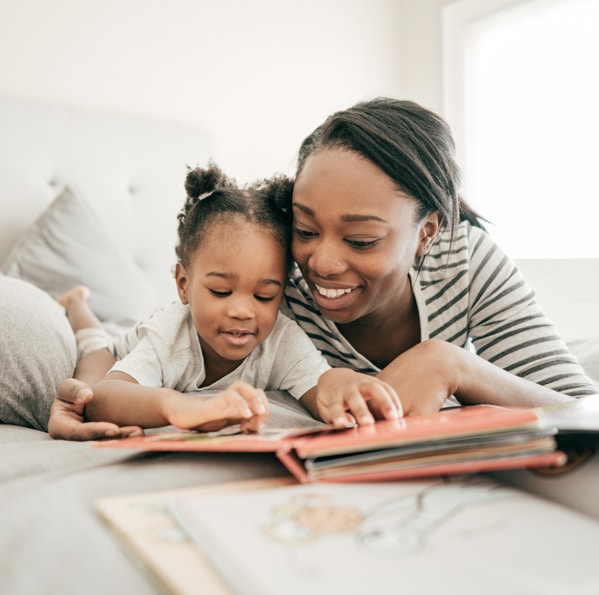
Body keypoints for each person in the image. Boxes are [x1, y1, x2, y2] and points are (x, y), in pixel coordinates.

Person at [49, 97, 598, 440]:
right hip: (132, 337)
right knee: (100, 337)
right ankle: (79, 308)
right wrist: (88, 392)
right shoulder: (268, 283)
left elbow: (580, 408)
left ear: (428, 232)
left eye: (361, 238)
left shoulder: (468, 260)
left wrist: (454, 365)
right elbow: (165, 352)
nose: (321, 263)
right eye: (305, 229)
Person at [49, 163, 400, 438]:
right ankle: (77, 304)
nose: (242, 311)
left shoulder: (282, 339)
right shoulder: (168, 336)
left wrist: (343, 384)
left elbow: (319, 383)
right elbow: (108, 396)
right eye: (221, 292)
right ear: (184, 284)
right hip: (121, 349)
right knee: (93, 353)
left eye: (264, 295)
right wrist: (179, 407)